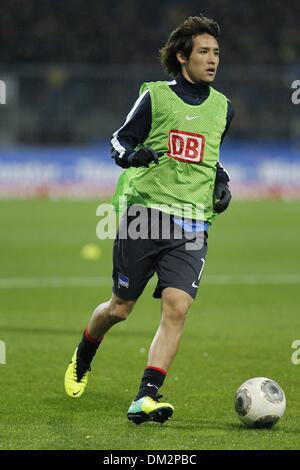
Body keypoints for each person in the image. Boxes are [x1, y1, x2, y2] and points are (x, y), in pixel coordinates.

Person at [64, 14, 234, 425]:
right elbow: (119, 140)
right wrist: (131, 155)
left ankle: (146, 396)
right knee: (120, 308)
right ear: (182, 56)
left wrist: (222, 181)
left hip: (192, 223)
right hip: (146, 215)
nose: (212, 60)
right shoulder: (156, 97)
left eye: (216, 53)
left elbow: (212, 155)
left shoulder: (224, 108)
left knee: (177, 307)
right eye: (204, 52)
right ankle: (84, 355)